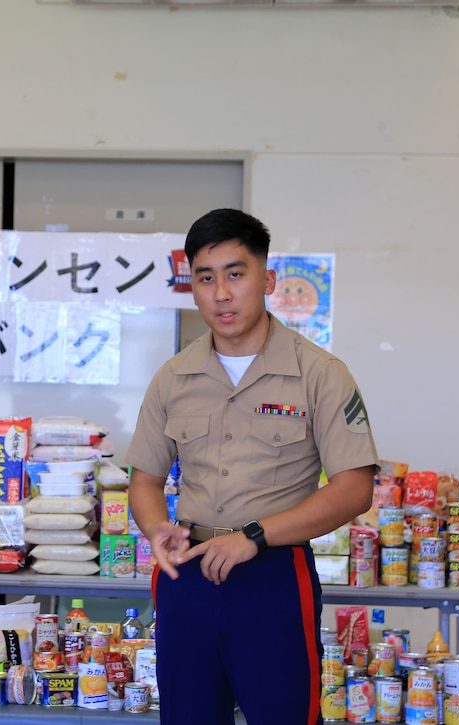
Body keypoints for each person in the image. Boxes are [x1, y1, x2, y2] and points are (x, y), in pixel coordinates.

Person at [127, 208, 379, 725]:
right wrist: (156, 528)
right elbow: (145, 480)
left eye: (235, 274)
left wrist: (255, 537)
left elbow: (354, 488)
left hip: (272, 578)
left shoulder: (320, 374)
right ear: (192, 288)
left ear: (266, 279)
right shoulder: (173, 377)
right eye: (205, 277)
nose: (221, 293)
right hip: (188, 575)